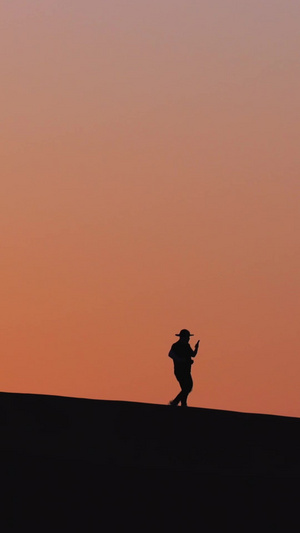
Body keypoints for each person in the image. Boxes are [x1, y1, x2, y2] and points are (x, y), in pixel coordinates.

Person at [168, 329, 200, 407]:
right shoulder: (176, 345)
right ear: (183, 337)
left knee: (187, 388)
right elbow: (170, 354)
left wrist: (196, 348)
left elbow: (193, 355)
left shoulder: (187, 346)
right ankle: (176, 402)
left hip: (186, 371)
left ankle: (182, 404)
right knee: (187, 387)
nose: (189, 338)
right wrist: (181, 360)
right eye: (187, 337)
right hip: (179, 371)